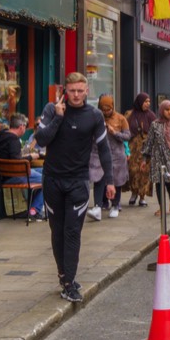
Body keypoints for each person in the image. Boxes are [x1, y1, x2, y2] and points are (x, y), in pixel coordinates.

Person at [35, 72, 114, 303]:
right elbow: (41, 139)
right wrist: (58, 118)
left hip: (79, 181)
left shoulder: (95, 115)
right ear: (65, 91)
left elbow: (104, 150)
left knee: (72, 232)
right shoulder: (52, 109)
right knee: (57, 231)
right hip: (52, 180)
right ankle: (63, 274)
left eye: (80, 91)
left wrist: (109, 181)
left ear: (87, 91)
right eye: (72, 91)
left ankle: (69, 282)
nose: (76, 95)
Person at [0, 113, 45, 220]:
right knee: (48, 179)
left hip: (4, 175)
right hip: (15, 176)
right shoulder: (13, 140)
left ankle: (33, 207)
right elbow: (17, 162)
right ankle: (34, 210)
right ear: (21, 126)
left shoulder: (0, 137)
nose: (25, 129)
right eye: (25, 127)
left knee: (44, 171)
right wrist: (31, 157)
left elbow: (13, 158)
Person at [87, 94, 130, 221]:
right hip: (98, 154)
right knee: (98, 179)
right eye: (103, 109)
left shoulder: (121, 118)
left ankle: (115, 205)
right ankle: (97, 206)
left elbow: (127, 136)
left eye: (108, 109)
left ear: (112, 107)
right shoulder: (95, 117)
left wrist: (114, 133)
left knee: (116, 180)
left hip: (117, 154)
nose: (106, 112)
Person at [145, 99, 170, 216]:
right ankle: (161, 207)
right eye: (166, 110)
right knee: (158, 183)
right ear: (162, 110)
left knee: (169, 181)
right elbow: (149, 142)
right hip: (157, 158)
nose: (169, 112)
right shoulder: (155, 125)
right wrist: (144, 159)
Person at [124, 93, 155, 206]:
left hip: (146, 148)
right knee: (132, 171)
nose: (148, 104)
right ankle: (134, 193)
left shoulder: (151, 116)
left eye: (149, 101)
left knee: (144, 172)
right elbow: (125, 130)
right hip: (133, 148)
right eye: (145, 101)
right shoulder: (129, 114)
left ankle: (142, 196)